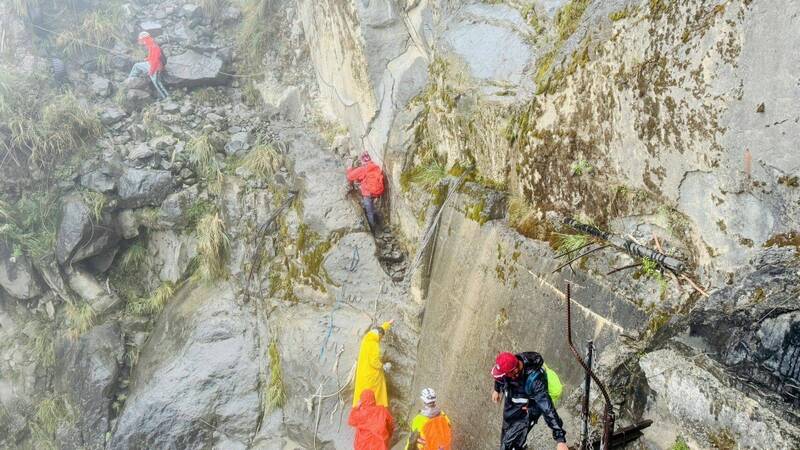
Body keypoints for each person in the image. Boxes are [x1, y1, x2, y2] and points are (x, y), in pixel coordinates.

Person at [491, 351, 568, 450]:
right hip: (511, 408)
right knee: (505, 438)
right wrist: (496, 390)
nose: (501, 378)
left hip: (525, 413)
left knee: (508, 446)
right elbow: (500, 378)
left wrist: (560, 439)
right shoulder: (512, 366)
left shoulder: (535, 381)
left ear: (514, 371)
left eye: (504, 375)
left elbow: (547, 408)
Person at [353, 319, 394, 408]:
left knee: (363, 394)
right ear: (379, 335)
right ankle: (377, 409)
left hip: (363, 373)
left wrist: (387, 324)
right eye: (381, 337)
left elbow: (380, 329)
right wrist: (383, 366)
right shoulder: (374, 344)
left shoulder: (367, 337)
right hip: (371, 375)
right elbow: (374, 361)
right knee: (375, 396)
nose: (381, 339)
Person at [346, 152, 385, 232]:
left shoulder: (363, 169)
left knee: (369, 211)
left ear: (362, 161)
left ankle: (373, 229)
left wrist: (349, 168)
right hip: (377, 192)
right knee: (372, 207)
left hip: (368, 193)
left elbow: (350, 176)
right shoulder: (375, 167)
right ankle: (379, 223)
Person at [127, 31, 169, 100]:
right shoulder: (151, 45)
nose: (141, 42)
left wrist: (151, 71)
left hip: (156, 68)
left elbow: (155, 61)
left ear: (145, 39)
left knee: (157, 83)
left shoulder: (154, 47)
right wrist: (147, 59)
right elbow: (151, 56)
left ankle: (166, 97)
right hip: (151, 64)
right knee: (136, 65)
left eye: (142, 40)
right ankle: (130, 79)